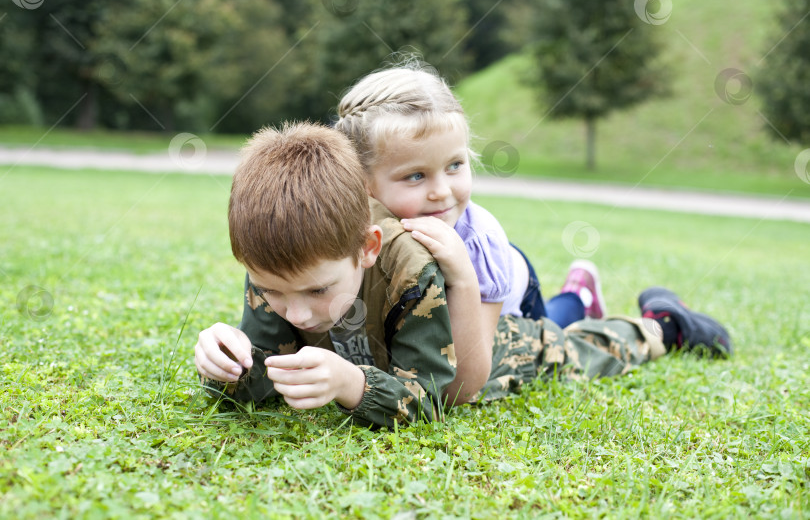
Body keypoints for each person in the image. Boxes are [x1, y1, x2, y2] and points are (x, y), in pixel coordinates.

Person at [193, 121, 732, 429]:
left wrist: (352, 385)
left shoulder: (410, 267)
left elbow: (435, 395)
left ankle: (661, 324)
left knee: (571, 350)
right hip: (393, 352)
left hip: (483, 350)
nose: (298, 312)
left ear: (366, 248)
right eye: (272, 292)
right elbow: (261, 375)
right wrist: (226, 364)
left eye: (317, 291)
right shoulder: (279, 259)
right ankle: (578, 293)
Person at [333, 63, 605, 403]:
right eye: (415, 175)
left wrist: (462, 276)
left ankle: (579, 296)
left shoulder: (480, 243)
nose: (441, 192)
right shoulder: (359, 225)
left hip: (509, 284)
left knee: (554, 332)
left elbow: (468, 382)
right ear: (363, 183)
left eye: (454, 166)